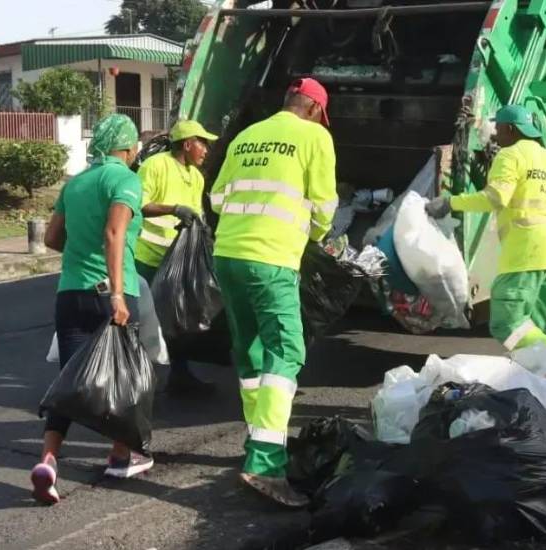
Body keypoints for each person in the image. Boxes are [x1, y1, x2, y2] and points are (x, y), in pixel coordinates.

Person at [209, 78, 338, 507]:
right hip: (272, 258)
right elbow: (324, 204)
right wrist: (315, 236)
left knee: (250, 352)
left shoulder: (248, 134)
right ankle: (265, 462)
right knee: (287, 351)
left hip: (228, 254)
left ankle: (255, 438)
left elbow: (217, 197)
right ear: (317, 110)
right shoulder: (315, 137)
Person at [32, 114, 152, 505]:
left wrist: (79, 259)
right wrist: (116, 294)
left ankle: (48, 461)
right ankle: (120, 454)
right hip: (110, 293)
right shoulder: (125, 180)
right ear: (129, 148)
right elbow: (114, 234)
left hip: (70, 294)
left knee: (70, 382)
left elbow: (52, 237)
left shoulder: (77, 182)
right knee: (124, 376)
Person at [426, 104, 546, 350]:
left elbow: (495, 198)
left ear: (511, 128)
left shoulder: (510, 156)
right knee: (537, 328)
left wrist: (450, 202)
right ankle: (542, 380)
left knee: (506, 324)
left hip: (525, 252)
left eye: (498, 128)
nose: (496, 135)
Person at [134, 120, 219, 395]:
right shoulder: (156, 165)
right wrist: (174, 208)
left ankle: (179, 374)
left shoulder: (196, 176)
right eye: (202, 143)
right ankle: (134, 379)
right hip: (146, 256)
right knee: (142, 318)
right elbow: (138, 205)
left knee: (180, 317)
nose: (206, 149)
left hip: (177, 260)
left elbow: (194, 214)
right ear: (187, 144)